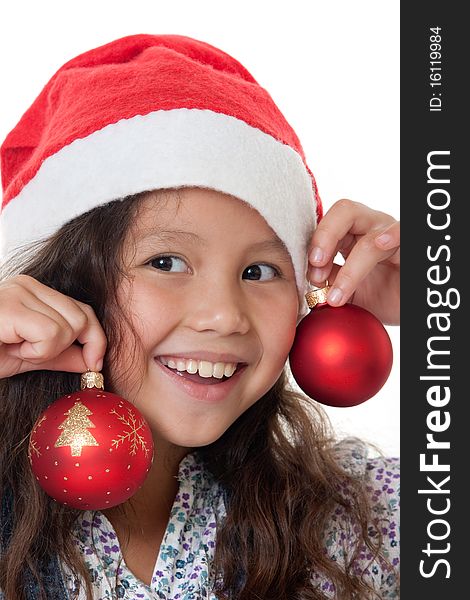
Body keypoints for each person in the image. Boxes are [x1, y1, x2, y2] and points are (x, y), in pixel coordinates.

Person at [0, 34, 400, 600]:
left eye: (260, 271)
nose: (222, 316)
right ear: (63, 284)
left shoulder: (361, 520)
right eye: (166, 262)